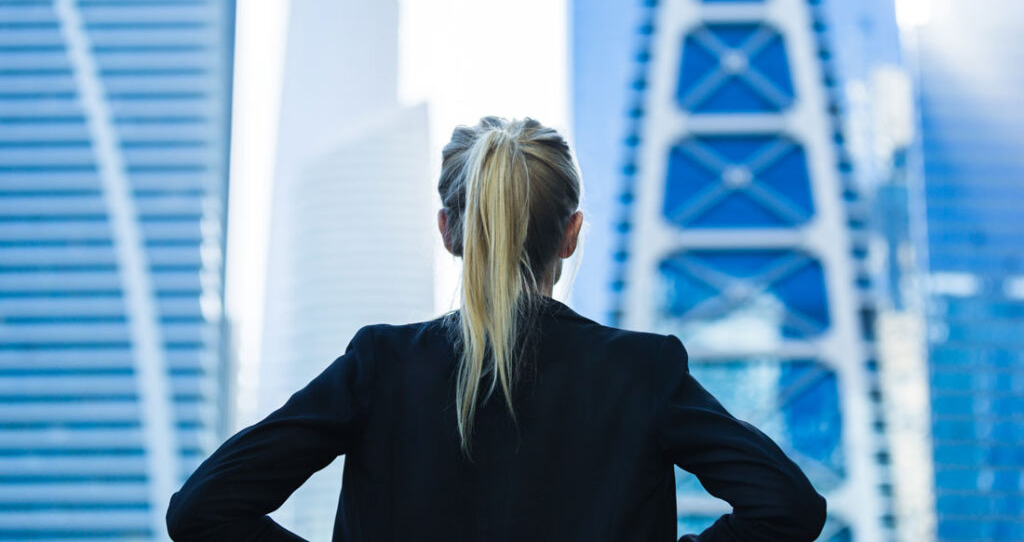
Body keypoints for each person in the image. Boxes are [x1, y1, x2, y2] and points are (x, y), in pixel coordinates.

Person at [165, 116, 827, 541]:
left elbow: (203, 511)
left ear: (448, 231)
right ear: (570, 236)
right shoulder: (641, 371)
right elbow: (787, 508)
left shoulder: (381, 366)